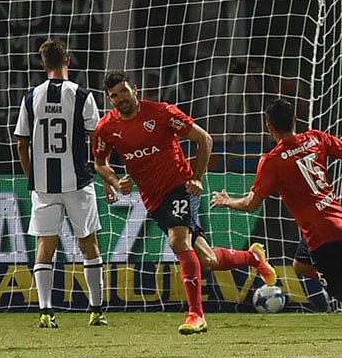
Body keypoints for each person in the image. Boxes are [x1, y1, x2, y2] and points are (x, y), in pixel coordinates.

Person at [209, 98, 342, 338]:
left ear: (269, 127)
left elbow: (251, 204)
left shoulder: (271, 161)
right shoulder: (315, 137)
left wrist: (226, 201)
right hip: (336, 219)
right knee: (301, 266)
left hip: (322, 233)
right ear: (295, 121)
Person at [92, 71, 277, 335]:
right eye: (114, 96)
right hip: (153, 199)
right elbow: (100, 163)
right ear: (109, 100)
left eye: (123, 91)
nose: (120, 98)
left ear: (134, 89)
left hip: (180, 187)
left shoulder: (162, 113)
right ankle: (253, 257)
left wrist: (198, 178)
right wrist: (113, 180)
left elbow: (204, 139)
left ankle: (195, 315)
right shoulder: (106, 128)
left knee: (178, 242)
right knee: (208, 259)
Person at [14, 38, 107, 328]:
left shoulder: (31, 97)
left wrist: (33, 178)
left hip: (44, 185)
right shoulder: (82, 95)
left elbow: (21, 144)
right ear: (67, 61)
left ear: (44, 65)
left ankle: (45, 311)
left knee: (46, 244)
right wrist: (102, 170)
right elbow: (98, 138)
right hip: (78, 183)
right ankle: (95, 310)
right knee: (88, 243)